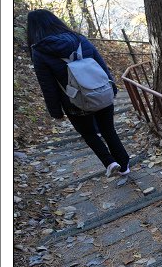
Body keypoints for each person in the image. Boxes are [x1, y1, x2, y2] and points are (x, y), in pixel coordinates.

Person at [27, 9, 130, 177]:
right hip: (100, 92)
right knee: (109, 130)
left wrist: (56, 112)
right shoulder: (80, 39)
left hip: (74, 101)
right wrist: (112, 87)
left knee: (89, 134)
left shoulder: (39, 52)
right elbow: (101, 65)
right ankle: (124, 165)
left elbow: (48, 85)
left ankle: (110, 162)